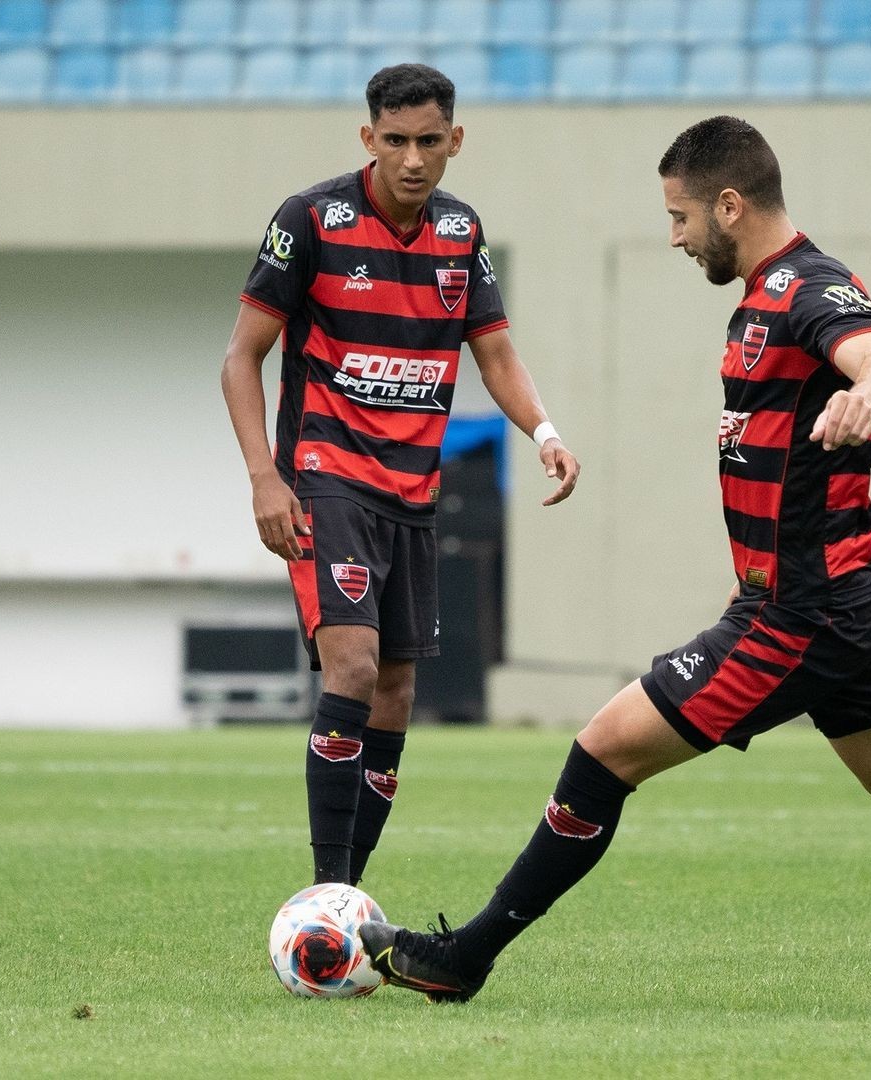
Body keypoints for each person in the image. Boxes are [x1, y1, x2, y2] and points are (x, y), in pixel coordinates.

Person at [358, 115, 871, 1003]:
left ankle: (465, 957)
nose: (673, 236)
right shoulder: (759, 298)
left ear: (729, 203)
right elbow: (781, 464)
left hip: (807, 610)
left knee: (603, 752)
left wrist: (869, 392)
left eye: (680, 217)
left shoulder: (806, 288)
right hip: (821, 588)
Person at [221, 64, 580, 888]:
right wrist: (262, 478)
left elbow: (495, 353)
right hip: (325, 475)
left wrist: (545, 431)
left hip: (413, 491)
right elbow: (241, 359)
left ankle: (348, 890)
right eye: (394, 141)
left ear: (455, 141)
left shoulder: (461, 233)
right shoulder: (311, 219)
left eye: (428, 142)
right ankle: (326, 891)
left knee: (394, 690)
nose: (411, 159)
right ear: (367, 139)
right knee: (350, 667)